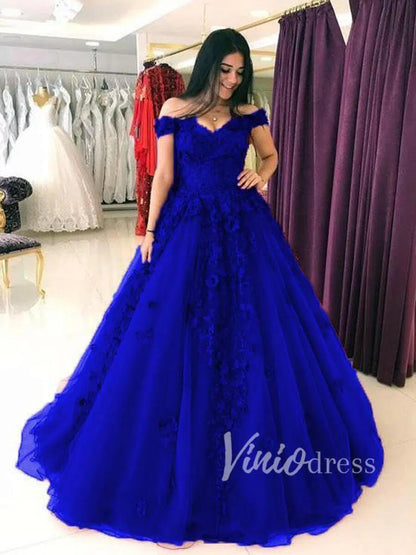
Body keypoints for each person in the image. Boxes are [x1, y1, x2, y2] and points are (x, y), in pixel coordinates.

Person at [15, 29, 384, 549]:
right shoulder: (174, 108)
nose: (232, 80)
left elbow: (271, 157)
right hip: (185, 226)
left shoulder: (249, 115)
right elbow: (164, 175)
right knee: (169, 330)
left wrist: (261, 175)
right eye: (226, 70)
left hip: (243, 227)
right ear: (209, 65)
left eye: (240, 72)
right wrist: (149, 230)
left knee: (252, 327)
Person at [4, 85, 103, 232]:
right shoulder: (32, 98)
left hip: (55, 138)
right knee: (38, 176)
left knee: (61, 176)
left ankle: (63, 217)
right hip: (33, 140)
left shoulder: (55, 99)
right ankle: (33, 218)